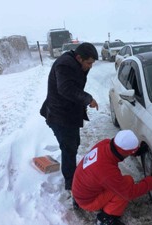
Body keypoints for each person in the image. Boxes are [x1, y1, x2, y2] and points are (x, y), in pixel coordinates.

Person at [40, 42, 99, 195]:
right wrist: (87, 99)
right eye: (88, 63)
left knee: (73, 144)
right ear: (79, 58)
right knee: (68, 148)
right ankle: (71, 182)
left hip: (68, 114)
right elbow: (66, 89)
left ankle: (71, 174)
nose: (90, 66)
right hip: (59, 116)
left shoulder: (75, 63)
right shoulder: (65, 65)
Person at [72, 130, 152, 225]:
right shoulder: (107, 171)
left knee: (123, 182)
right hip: (87, 201)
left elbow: (120, 150)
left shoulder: (104, 144)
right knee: (126, 185)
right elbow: (129, 193)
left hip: (79, 188)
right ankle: (107, 217)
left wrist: (135, 151)